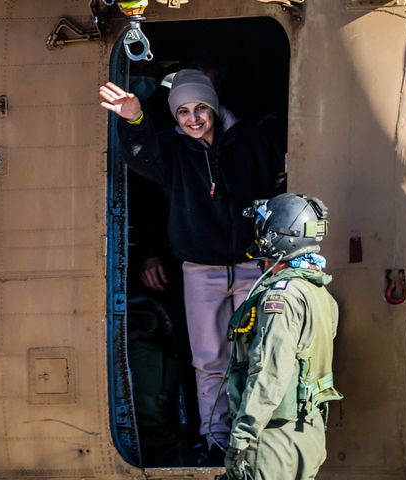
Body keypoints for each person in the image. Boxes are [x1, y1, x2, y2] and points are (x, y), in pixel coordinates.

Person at [99, 69, 286, 463]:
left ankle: (251, 437)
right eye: (183, 111)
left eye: (201, 108)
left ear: (214, 107)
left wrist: (275, 251)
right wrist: (134, 119)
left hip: (253, 265)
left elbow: (278, 187)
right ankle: (216, 438)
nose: (194, 119)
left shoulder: (251, 139)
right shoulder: (171, 149)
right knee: (210, 360)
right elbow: (141, 155)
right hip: (201, 271)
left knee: (253, 356)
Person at [224, 193, 343, 480]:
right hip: (307, 438)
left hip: (271, 442)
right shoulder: (320, 294)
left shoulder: (281, 297)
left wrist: (242, 437)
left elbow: (269, 373)